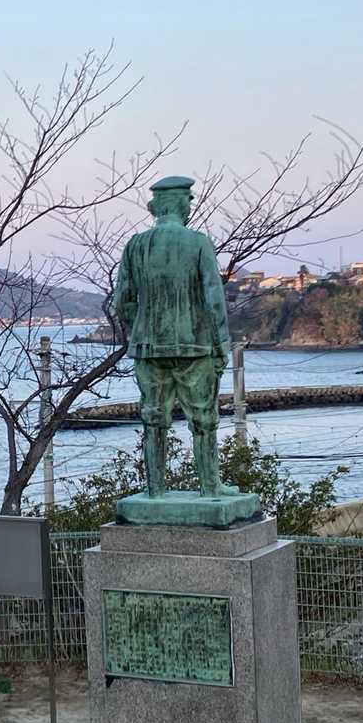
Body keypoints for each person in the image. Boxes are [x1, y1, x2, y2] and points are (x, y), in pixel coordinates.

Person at [114, 175, 234, 499]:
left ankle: (155, 491)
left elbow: (122, 301)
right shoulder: (198, 243)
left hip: (148, 347)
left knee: (153, 418)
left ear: (157, 207)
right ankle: (210, 487)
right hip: (195, 345)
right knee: (203, 418)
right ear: (181, 204)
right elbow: (214, 299)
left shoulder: (135, 245)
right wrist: (221, 345)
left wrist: (143, 326)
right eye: (189, 202)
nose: (191, 208)